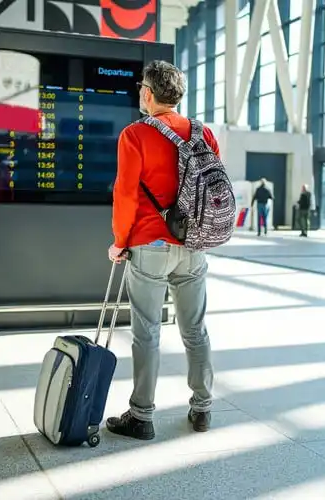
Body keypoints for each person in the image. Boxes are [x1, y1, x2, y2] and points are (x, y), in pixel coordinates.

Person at [106, 60, 219, 440]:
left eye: (142, 88)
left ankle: (142, 416)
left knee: (147, 332)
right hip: (194, 245)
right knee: (195, 329)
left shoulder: (135, 134)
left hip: (150, 243)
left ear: (149, 94)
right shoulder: (203, 134)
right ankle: (202, 408)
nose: (140, 93)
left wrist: (120, 242)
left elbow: (124, 193)